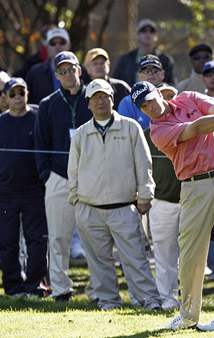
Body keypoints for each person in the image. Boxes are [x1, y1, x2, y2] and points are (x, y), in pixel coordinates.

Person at [133, 81, 214, 331]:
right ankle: (188, 314)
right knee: (191, 254)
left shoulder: (188, 97)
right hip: (194, 187)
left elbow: (213, 109)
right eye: (143, 106)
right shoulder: (158, 131)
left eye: (150, 99)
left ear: (158, 92)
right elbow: (197, 127)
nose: (150, 108)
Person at [67, 79, 161, 310]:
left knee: (136, 259)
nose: (100, 101)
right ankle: (108, 301)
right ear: (88, 104)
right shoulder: (81, 133)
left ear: (112, 99)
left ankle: (149, 301)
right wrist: (75, 200)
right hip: (90, 209)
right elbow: (73, 170)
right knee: (99, 263)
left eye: (105, 96)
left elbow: (143, 163)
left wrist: (145, 194)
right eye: (95, 97)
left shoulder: (131, 127)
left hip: (124, 207)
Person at [34, 51, 93, 301]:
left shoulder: (95, 96)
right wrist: (47, 175)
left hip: (92, 176)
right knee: (59, 237)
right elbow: (40, 143)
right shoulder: (47, 104)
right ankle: (61, 289)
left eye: (72, 69)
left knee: (94, 236)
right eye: (62, 71)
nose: (68, 74)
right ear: (56, 75)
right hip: (58, 176)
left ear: (79, 70)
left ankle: (98, 290)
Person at [0, 78, 48, 297]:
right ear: (5, 98)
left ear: (28, 93)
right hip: (6, 191)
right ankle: (12, 286)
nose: (18, 97)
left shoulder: (38, 117)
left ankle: (34, 285)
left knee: (37, 240)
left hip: (34, 189)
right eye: (13, 94)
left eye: (21, 92)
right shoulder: (1, 122)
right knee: (8, 240)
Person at [142, 83, 181, 311]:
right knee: (164, 256)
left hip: (191, 200)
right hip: (161, 201)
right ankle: (168, 300)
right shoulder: (147, 135)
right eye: (162, 96)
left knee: (192, 256)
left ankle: (189, 299)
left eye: (170, 97)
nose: (166, 102)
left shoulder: (189, 128)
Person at [113, 18, 174, 86]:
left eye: (152, 31)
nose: (148, 33)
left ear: (156, 36)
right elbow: (116, 85)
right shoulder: (125, 60)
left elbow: (170, 85)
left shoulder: (165, 60)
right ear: (137, 35)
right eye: (143, 30)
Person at [118, 54, 165, 129]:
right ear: (138, 75)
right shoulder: (127, 103)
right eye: (146, 71)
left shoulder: (172, 95)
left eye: (155, 71)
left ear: (162, 74)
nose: (150, 74)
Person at [25, 28, 72, 104]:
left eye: (62, 42)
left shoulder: (81, 71)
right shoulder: (35, 73)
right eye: (53, 43)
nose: (57, 46)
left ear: (69, 45)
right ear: (47, 48)